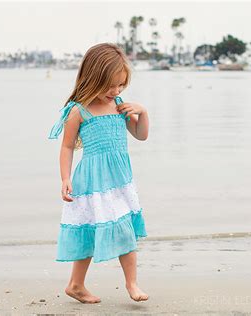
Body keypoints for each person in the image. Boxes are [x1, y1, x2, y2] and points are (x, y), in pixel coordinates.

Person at [48, 43, 150, 303]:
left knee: (125, 229)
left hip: (119, 183)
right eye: (110, 85)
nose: (115, 91)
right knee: (89, 231)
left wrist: (143, 112)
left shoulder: (119, 105)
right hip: (91, 182)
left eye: (120, 86)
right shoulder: (78, 111)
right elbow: (67, 146)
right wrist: (65, 178)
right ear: (93, 78)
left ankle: (132, 284)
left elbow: (141, 135)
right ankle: (75, 284)